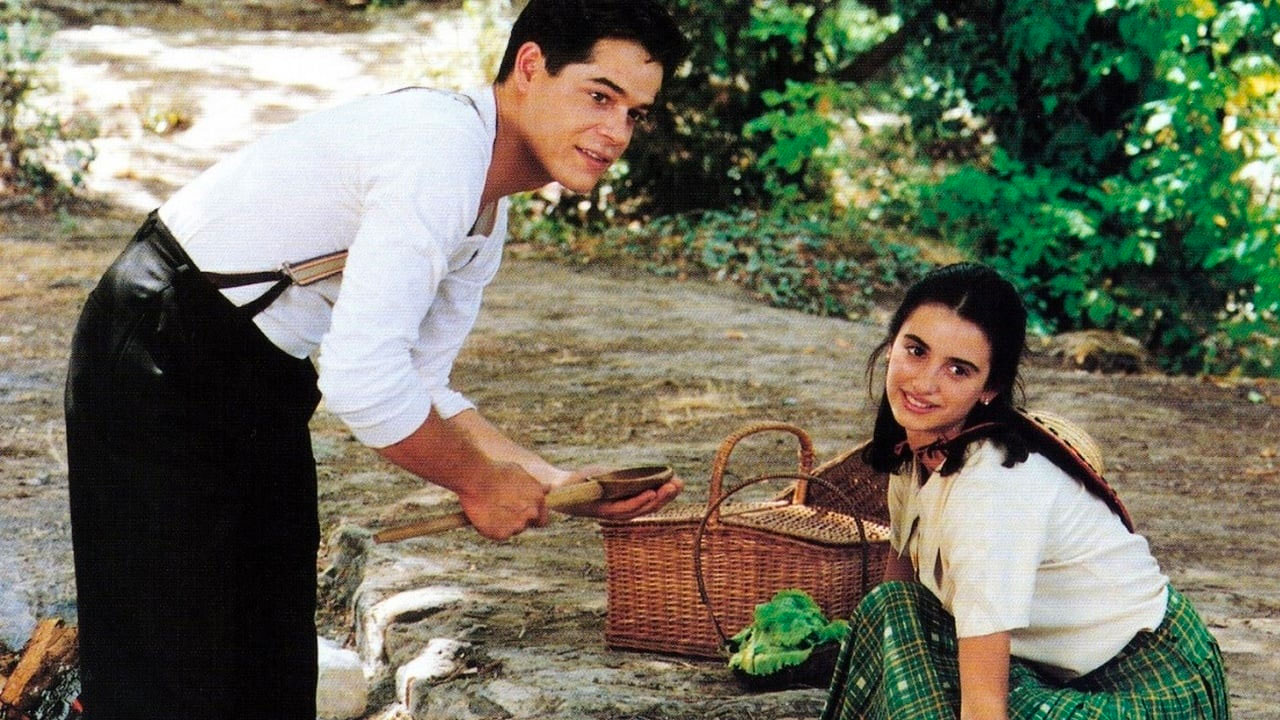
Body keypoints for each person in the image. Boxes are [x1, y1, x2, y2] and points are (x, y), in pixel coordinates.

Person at [63, 2, 688, 718]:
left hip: (258, 376)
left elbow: (421, 377)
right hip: (158, 346)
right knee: (167, 673)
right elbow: (364, 381)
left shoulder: (487, 207)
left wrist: (556, 482)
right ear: (529, 66)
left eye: (635, 114)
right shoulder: (440, 150)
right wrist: (479, 481)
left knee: (268, 664)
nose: (616, 133)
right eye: (599, 96)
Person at [820, 263, 1229, 720]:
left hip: (1149, 684)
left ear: (990, 388)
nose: (924, 383)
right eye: (916, 351)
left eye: (957, 370)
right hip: (1051, 669)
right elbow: (900, 586)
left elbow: (985, 706)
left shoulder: (988, 493)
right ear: (892, 342)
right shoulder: (918, 446)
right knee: (889, 611)